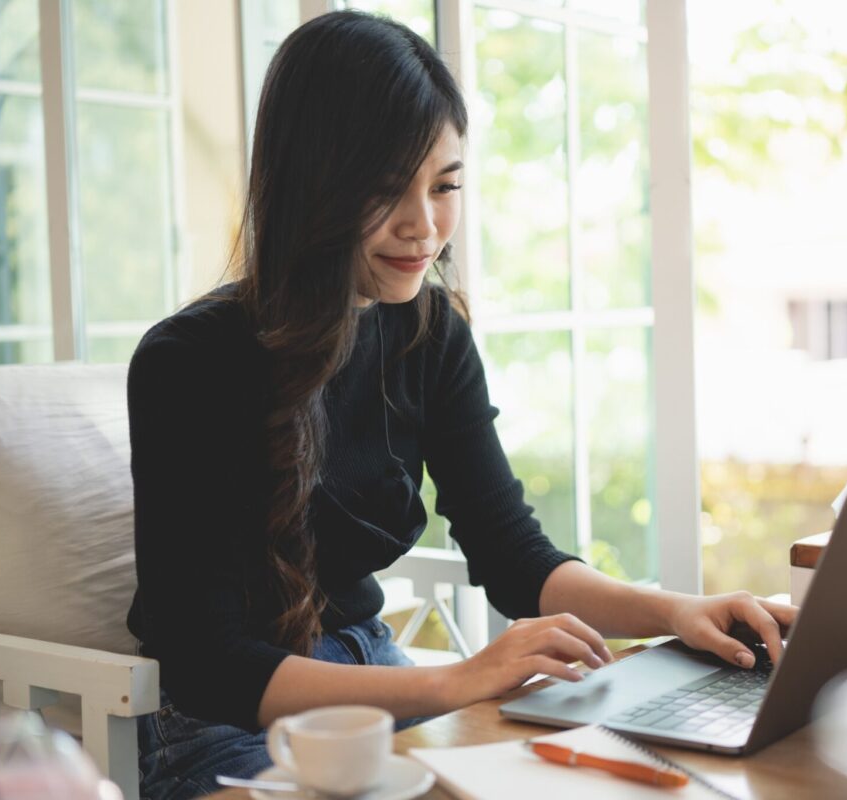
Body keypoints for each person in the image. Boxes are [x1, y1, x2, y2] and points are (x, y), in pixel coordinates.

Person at [126, 10, 796, 800]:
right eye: (386, 192)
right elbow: (209, 665)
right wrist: (456, 684)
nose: (425, 229)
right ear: (315, 184)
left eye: (444, 186)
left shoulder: (427, 330)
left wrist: (678, 611)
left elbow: (515, 557)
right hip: (224, 732)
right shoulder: (186, 363)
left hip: (377, 677)